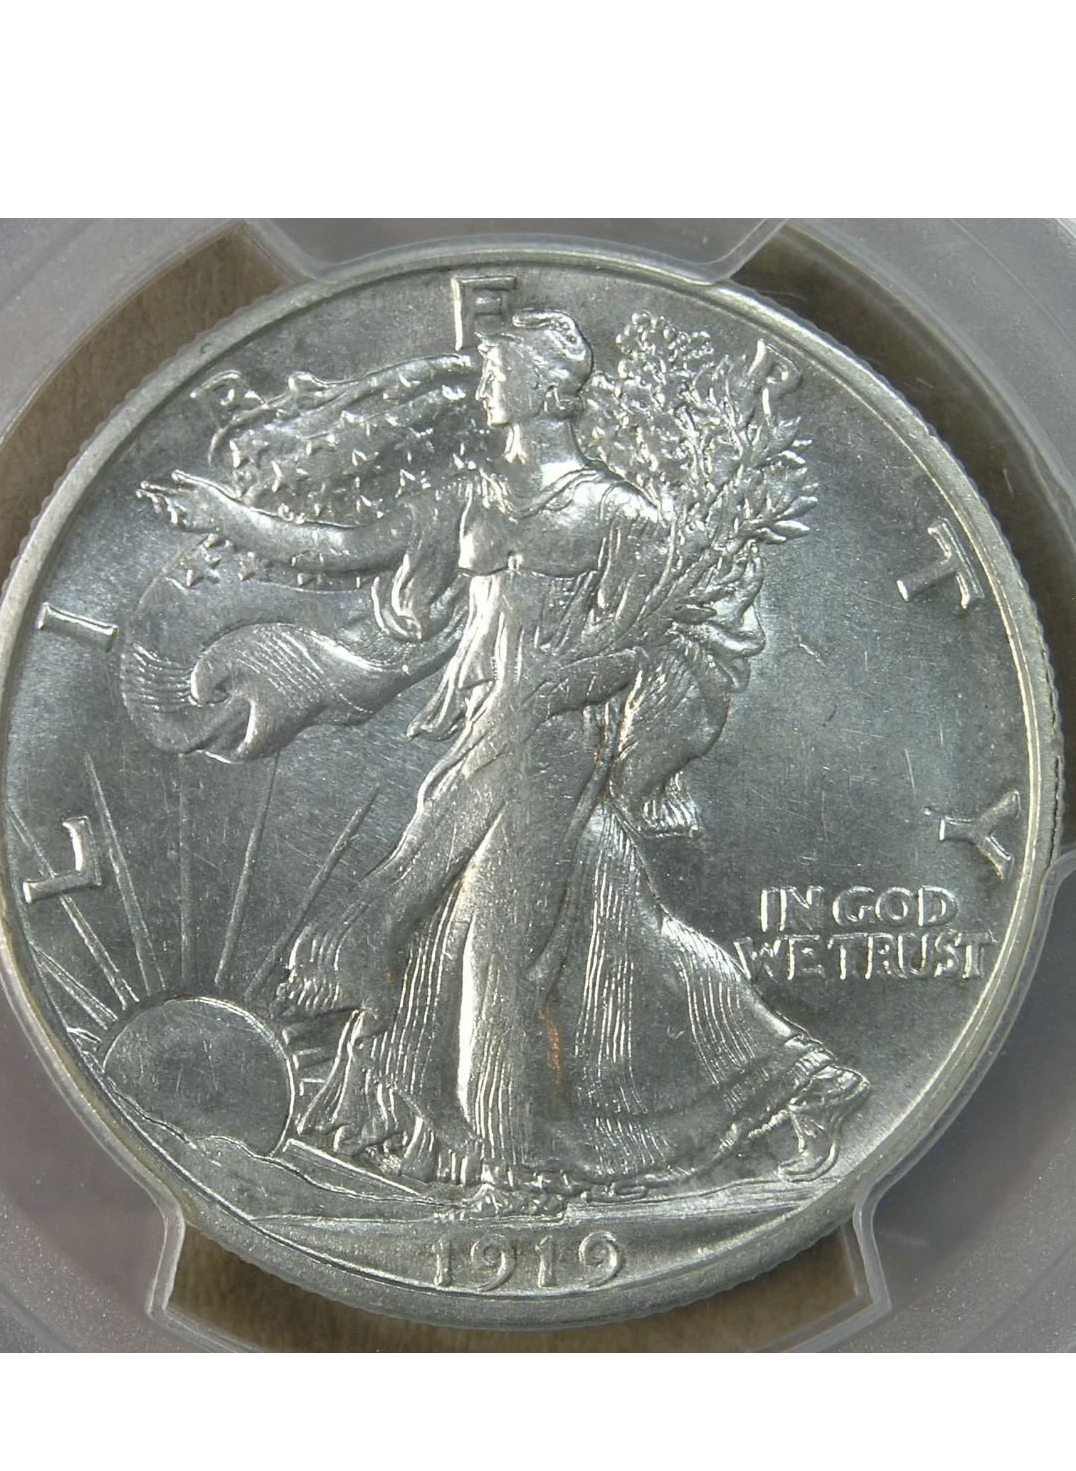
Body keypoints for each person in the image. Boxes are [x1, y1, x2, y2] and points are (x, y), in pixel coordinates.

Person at [142, 311, 868, 1197]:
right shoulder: (472, 497)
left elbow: (637, 652)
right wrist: (230, 517)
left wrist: (558, 688)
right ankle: (797, 1082)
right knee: (614, 937)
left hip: (557, 746)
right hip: (487, 733)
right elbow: (343, 550)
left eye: (499, 368)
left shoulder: (622, 516)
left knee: (495, 951)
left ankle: (510, 1165)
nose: (484, 382)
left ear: (548, 386)